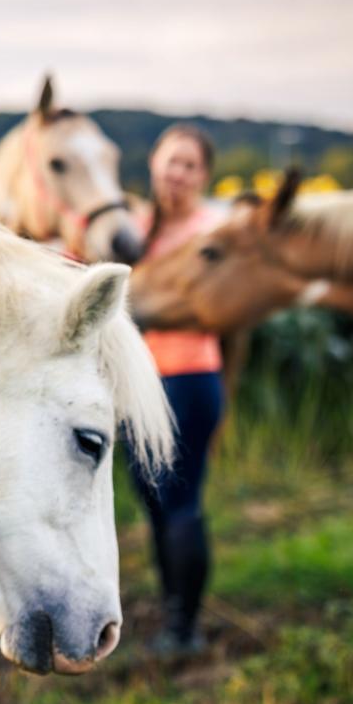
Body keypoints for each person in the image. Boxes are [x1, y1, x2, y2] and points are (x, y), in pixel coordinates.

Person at [128, 123, 225, 657]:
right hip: (136, 384)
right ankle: (172, 609)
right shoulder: (133, 228)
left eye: (190, 165)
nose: (178, 174)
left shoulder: (214, 234)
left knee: (181, 501)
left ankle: (184, 629)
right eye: (171, 162)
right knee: (154, 504)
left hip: (189, 380)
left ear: (204, 175)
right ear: (154, 165)